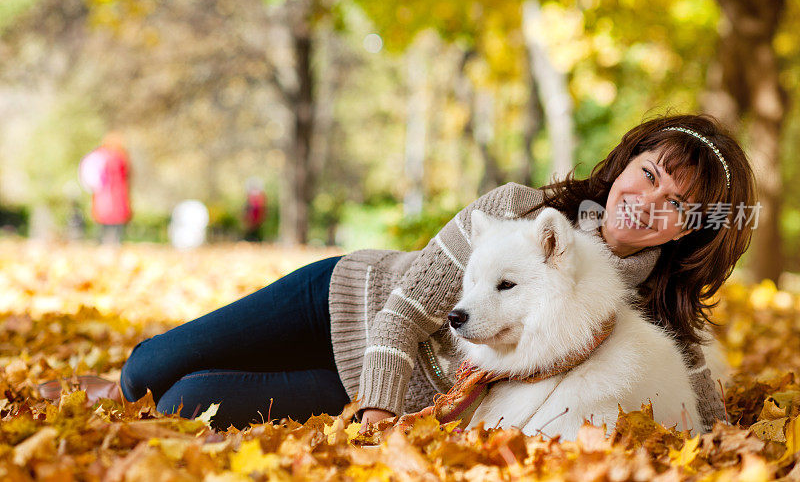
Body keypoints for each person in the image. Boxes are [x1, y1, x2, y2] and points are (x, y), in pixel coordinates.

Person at [69, 114, 756, 433]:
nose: (651, 201)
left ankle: (130, 391)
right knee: (145, 368)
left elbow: (699, 396)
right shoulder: (518, 207)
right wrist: (377, 414)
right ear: (627, 160)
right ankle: (99, 383)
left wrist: (728, 436)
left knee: (183, 400)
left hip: (392, 381)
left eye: (679, 205)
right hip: (348, 298)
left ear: (691, 230)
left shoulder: (648, 306)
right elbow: (406, 309)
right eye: (650, 173)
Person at [78, 134, 132, 244]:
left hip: (105, 196)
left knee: (106, 220)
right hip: (113, 195)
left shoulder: (100, 156)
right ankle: (112, 241)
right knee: (114, 221)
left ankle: (105, 241)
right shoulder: (117, 157)